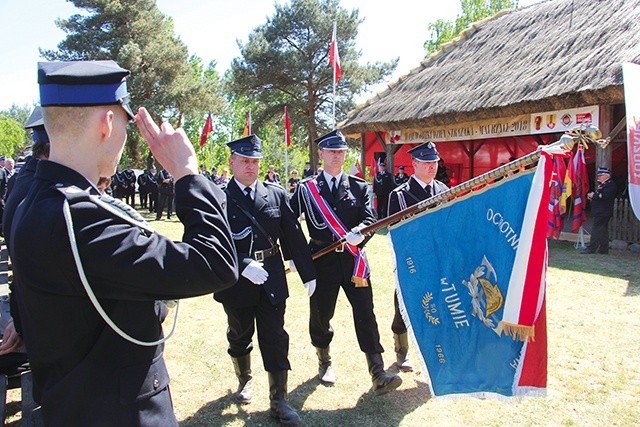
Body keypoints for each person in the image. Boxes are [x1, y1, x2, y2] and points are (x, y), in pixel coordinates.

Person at [6, 60, 239, 426]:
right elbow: (214, 264)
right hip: (117, 411)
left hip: (70, 404)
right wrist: (187, 174)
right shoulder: (81, 217)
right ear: (108, 124)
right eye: (126, 126)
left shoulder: (31, 196)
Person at [214, 134, 316, 425]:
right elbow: (213, 242)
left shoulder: (275, 194)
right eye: (245, 161)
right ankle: (244, 379)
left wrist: (307, 273)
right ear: (232, 162)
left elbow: (293, 235)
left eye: (255, 161)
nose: (251, 166)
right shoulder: (220, 198)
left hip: (271, 277)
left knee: (275, 336)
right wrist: (243, 263)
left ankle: (279, 399)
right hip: (237, 280)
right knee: (239, 333)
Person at [290, 129, 402, 396]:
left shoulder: (359, 186)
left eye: (341, 151)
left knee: (366, 314)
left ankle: (377, 371)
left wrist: (360, 234)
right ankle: (324, 361)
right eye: (332, 151)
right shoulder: (307, 190)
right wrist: (297, 256)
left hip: (354, 262)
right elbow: (289, 222)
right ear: (321, 154)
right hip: (321, 261)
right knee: (321, 315)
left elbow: (370, 218)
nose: (337, 155)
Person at [387, 141, 449, 372]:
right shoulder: (399, 195)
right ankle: (402, 353)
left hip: (438, 260)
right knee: (404, 307)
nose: (432, 167)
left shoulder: (443, 190)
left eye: (434, 162)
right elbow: (395, 232)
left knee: (438, 307)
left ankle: (435, 350)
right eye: (426, 162)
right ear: (414, 164)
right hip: (411, 261)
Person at [582, 167, 617, 254]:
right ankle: (603, 249)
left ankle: (592, 248)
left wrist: (593, 196)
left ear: (606, 176)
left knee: (596, 230)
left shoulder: (610, 185)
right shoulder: (603, 185)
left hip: (603, 212)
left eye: (600, 175)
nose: (599, 177)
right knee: (603, 230)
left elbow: (604, 196)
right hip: (600, 211)